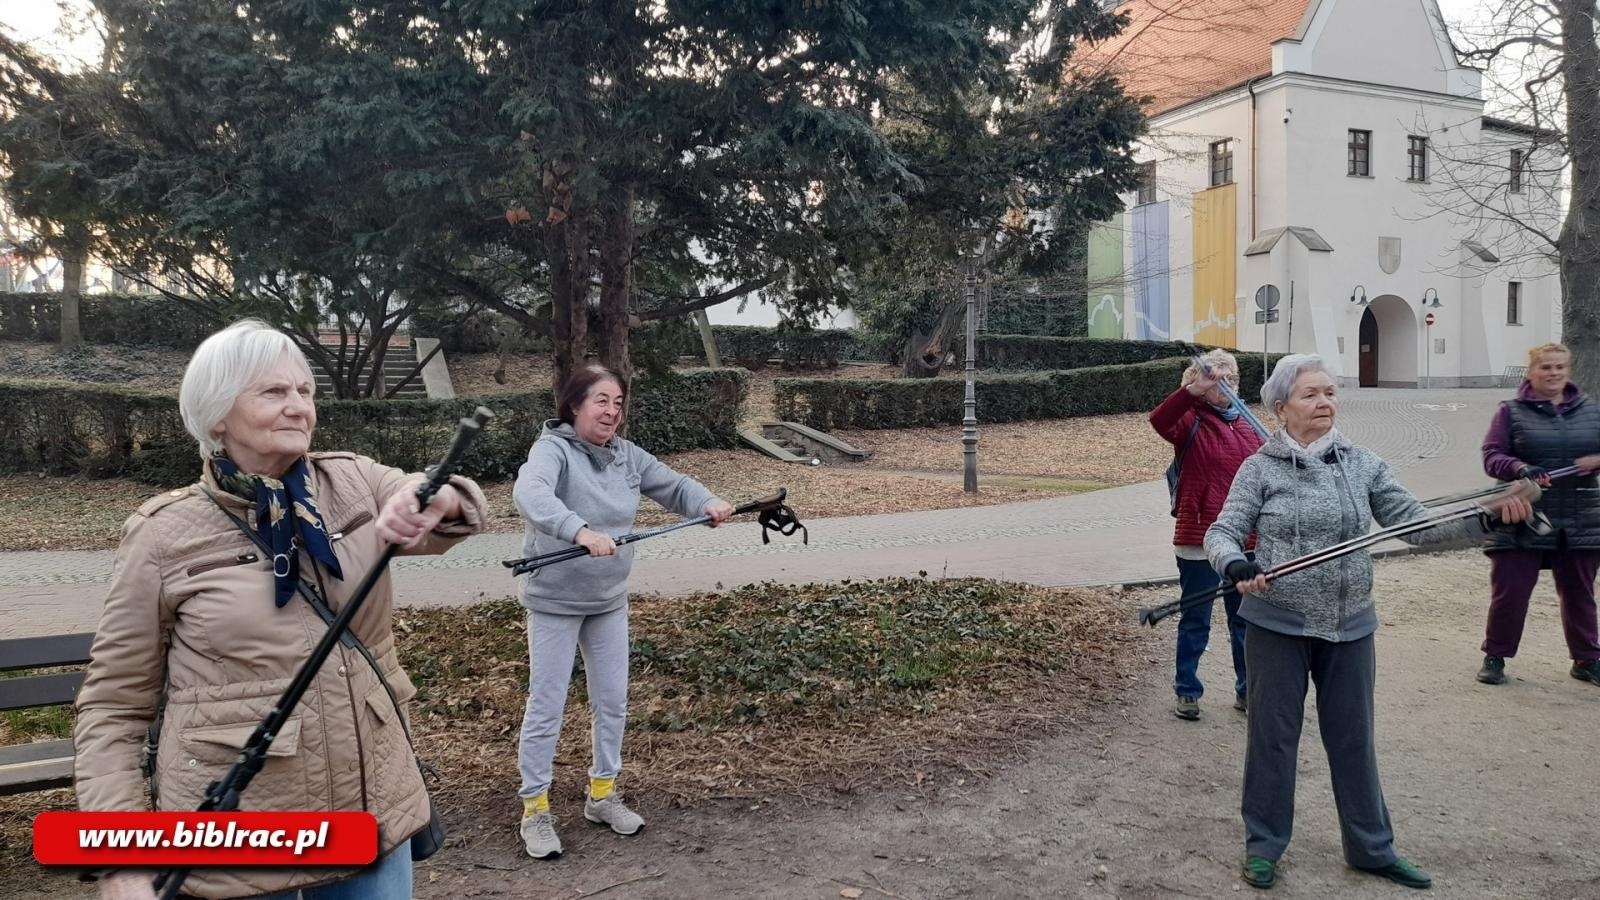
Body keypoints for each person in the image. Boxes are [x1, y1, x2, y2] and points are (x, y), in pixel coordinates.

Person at [77, 319, 487, 900]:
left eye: (305, 391)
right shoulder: (162, 535)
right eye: (274, 392)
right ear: (218, 414)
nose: (299, 406)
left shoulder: (353, 482)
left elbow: (441, 504)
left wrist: (437, 497)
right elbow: (114, 705)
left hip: (368, 808)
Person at [1205, 354, 1534, 891]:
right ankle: (1264, 845)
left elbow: (1417, 526)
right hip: (1277, 625)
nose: (1325, 403)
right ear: (1282, 406)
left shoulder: (1361, 463)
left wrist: (1488, 516)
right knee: (1273, 739)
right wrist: (1237, 563)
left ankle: (1371, 848)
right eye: (1311, 394)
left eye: (1330, 392)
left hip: (1350, 624)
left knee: (1354, 740)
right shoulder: (1259, 468)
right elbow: (1221, 532)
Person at [512, 364, 734, 860]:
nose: (612, 411)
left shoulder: (626, 455)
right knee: (546, 706)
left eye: (618, 402)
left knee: (612, 700)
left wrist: (709, 502)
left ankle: (603, 794)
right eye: (601, 401)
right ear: (574, 406)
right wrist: (580, 530)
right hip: (554, 602)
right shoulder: (553, 450)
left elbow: (674, 486)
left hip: (608, 600)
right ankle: (535, 809)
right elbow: (530, 494)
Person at [1478, 342, 1600, 687]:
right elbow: (1492, 456)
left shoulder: (1591, 410)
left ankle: (1587, 659)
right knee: (1510, 592)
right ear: (1531, 372)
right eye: (1546, 367)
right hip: (1523, 514)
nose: (1554, 373)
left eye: (1560, 367)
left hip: (1580, 518)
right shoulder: (1511, 411)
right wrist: (1521, 468)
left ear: (1568, 370)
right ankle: (1495, 656)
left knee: (1580, 592)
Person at [1150, 349, 1262, 720]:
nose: (1226, 386)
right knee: (1196, 617)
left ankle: (1249, 691)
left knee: (1244, 620)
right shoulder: (1189, 420)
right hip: (1199, 535)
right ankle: (1187, 690)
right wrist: (1194, 392)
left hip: (1244, 541)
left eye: (1231, 379)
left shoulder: (1248, 424)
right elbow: (1159, 420)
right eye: (1218, 380)